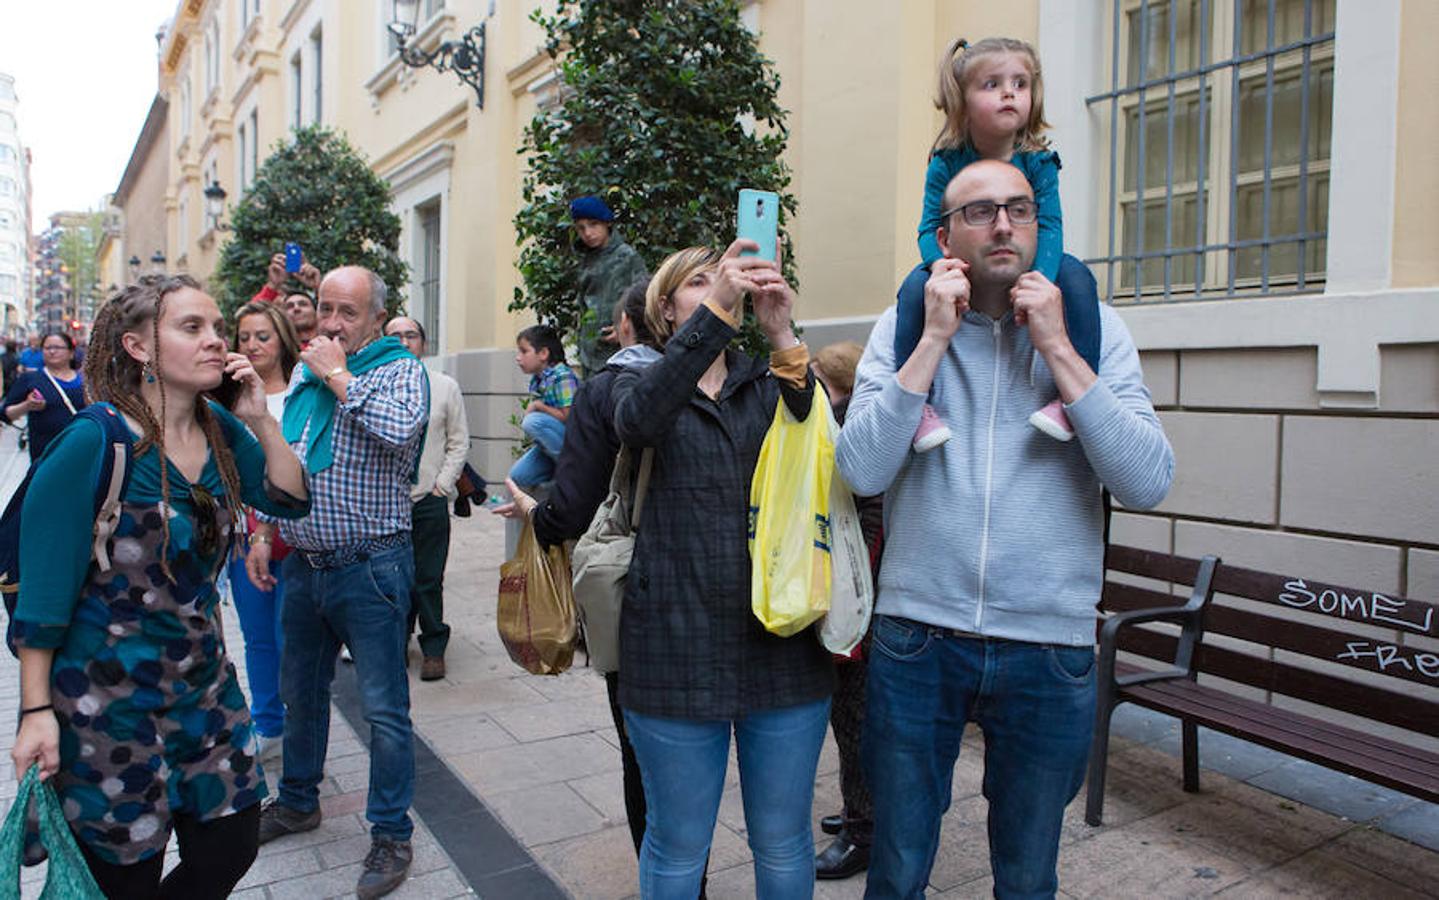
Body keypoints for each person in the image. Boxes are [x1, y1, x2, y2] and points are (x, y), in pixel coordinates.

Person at [836, 160, 1174, 898]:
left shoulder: (1095, 330)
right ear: (944, 236)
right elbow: (860, 469)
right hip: (916, 638)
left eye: (1018, 210)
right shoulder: (900, 329)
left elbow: (1146, 480)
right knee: (895, 868)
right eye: (980, 210)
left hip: (1049, 648)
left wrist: (1058, 349)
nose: (1001, 224)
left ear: (1037, 225)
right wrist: (928, 344)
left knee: (1025, 875)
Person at [8, 274, 310, 899]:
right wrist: (35, 713)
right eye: (190, 327)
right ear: (139, 347)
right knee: (127, 879)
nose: (214, 341)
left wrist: (259, 420)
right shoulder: (96, 442)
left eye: (215, 328)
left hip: (204, 694)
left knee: (231, 847)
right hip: (106, 709)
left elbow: (289, 498)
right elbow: (41, 596)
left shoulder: (223, 430)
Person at [611, 241, 833, 899]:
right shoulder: (633, 378)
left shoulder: (766, 381)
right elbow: (638, 422)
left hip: (781, 639)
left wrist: (778, 327)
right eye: (700, 280)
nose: (722, 284)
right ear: (667, 306)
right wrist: (717, 311)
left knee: (783, 838)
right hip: (670, 648)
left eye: (724, 276)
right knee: (678, 844)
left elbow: (813, 425)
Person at [248, 266, 428, 900]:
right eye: (325, 308)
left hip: (373, 566)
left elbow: (400, 431)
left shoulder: (398, 369)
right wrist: (266, 532)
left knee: (383, 709)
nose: (330, 322)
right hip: (307, 562)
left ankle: (390, 833)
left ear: (376, 318)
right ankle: (298, 800)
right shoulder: (306, 370)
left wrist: (336, 374)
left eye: (348, 312)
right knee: (301, 691)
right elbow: (290, 455)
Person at [495, 283, 668, 877]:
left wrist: (529, 512)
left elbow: (566, 509)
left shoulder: (601, 391)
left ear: (624, 325)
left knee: (642, 752)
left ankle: (666, 879)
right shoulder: (724, 378)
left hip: (631, 594)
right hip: (719, 595)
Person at [899, 36, 1102, 453]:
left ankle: (1074, 397)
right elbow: (927, 228)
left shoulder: (1039, 161)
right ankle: (915, 405)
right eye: (992, 84)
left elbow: (1049, 225)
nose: (1010, 92)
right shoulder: (945, 162)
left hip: (1030, 264)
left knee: (1077, 278)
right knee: (913, 289)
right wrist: (941, 266)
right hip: (962, 268)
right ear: (963, 101)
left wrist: (1037, 281)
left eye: (1020, 83)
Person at [810, 340, 885, 882]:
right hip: (858, 597)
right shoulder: (844, 424)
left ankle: (866, 830)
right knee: (849, 719)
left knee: (858, 721)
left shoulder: (853, 430)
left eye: (816, 376)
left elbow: (866, 523)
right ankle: (860, 811)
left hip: (862, 604)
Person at [225, 300, 304, 762]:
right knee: (256, 637)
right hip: (240, 534)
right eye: (245, 337)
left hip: (293, 537)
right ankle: (267, 722)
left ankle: (300, 725)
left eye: (263, 336)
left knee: (288, 638)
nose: (252, 345)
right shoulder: (225, 401)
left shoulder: (302, 393)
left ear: (282, 341)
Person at [384, 316, 469, 681]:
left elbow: (458, 440)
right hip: (387, 503)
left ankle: (434, 646)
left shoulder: (444, 386)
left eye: (411, 335)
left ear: (423, 342)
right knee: (393, 578)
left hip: (429, 499)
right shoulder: (374, 387)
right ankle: (396, 641)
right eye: (395, 336)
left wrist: (442, 486)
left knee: (428, 577)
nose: (404, 342)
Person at [570, 195, 649, 376]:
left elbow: (644, 297)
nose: (587, 233)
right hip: (589, 350)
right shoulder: (585, 261)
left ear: (607, 224)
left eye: (593, 224)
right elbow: (584, 304)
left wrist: (626, 327)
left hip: (620, 349)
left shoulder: (627, 257)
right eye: (581, 228)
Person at [507, 325, 578, 489]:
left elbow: (570, 417)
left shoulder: (562, 376)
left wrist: (539, 406)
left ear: (543, 354)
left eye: (524, 351)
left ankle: (573, 469)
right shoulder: (538, 379)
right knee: (518, 476)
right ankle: (558, 477)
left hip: (572, 441)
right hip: (556, 443)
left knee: (532, 422)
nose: (518, 358)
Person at [2, 331, 88, 462]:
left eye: (58, 347)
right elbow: (5, 414)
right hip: (45, 455)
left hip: (83, 451)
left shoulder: (86, 382)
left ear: (71, 353)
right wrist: (27, 406)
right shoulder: (30, 379)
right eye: (47, 348)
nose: (52, 351)